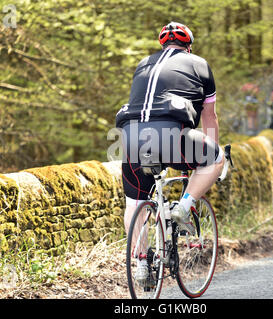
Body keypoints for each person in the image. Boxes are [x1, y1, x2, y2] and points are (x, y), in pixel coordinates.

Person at [115, 21, 224, 283]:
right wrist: (211, 152)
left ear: (162, 44)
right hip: (172, 137)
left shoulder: (143, 64)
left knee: (135, 203)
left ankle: (141, 266)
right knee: (216, 158)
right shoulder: (199, 64)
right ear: (188, 46)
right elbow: (209, 117)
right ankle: (183, 207)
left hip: (130, 140)